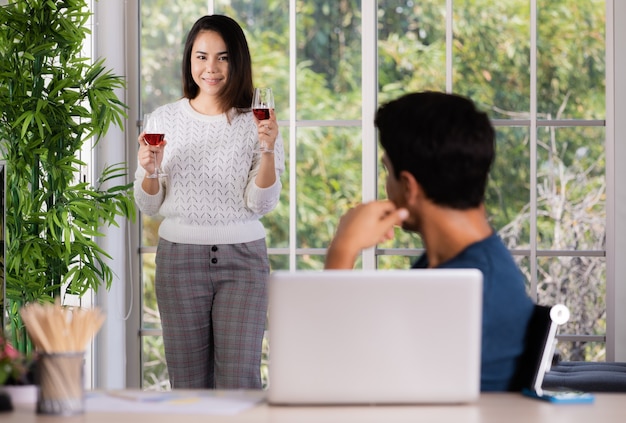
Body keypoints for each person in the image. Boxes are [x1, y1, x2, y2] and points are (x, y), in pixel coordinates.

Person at [325, 91, 534, 392]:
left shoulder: (466, 288)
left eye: (387, 170)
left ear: (409, 186)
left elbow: (343, 379)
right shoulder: (456, 266)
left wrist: (343, 249)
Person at [134, 15, 284, 390]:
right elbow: (148, 205)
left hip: (244, 261)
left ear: (237, 61)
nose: (211, 68)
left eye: (223, 57)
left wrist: (267, 149)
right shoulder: (164, 118)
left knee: (240, 383)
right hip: (179, 260)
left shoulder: (258, 121)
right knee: (187, 386)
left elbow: (261, 203)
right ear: (189, 61)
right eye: (201, 57)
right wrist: (149, 170)